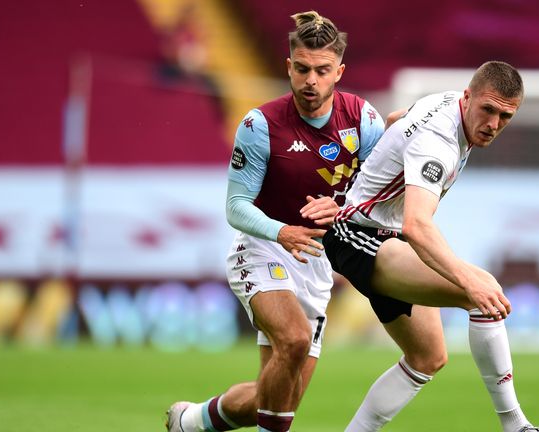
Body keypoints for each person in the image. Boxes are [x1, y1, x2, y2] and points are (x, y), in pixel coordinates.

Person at [165, 11, 385, 432]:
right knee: (295, 339)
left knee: (278, 396)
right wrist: (280, 231)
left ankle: (192, 421)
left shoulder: (363, 120)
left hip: (316, 261)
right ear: (289, 66)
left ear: (339, 71)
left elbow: (380, 194)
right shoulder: (259, 124)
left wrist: (345, 218)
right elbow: (236, 206)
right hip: (263, 248)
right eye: (302, 69)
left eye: (322, 71)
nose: (310, 81)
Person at [323, 61, 539, 432]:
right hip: (357, 235)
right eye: (488, 110)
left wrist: (378, 168)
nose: (493, 124)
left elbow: (395, 118)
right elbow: (418, 226)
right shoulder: (439, 142)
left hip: (383, 234)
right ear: (469, 97)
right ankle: (515, 425)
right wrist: (468, 281)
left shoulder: (447, 101)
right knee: (481, 293)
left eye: (505, 116)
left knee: (427, 358)